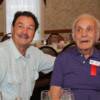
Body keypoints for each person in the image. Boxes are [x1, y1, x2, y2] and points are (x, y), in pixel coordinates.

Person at [0, 11, 55, 100]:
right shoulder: (2, 54)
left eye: (30, 28)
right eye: (20, 26)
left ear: (34, 33)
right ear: (12, 28)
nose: (25, 32)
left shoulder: (34, 53)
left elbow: (59, 63)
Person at [50, 14, 100, 100]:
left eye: (89, 29)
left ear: (97, 35)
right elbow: (55, 90)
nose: (83, 34)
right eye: (79, 30)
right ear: (74, 36)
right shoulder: (63, 59)